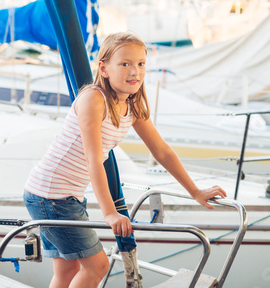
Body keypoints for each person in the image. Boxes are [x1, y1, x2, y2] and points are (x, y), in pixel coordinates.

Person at [23, 32, 227, 288]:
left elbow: (161, 151)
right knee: (98, 267)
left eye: (141, 64)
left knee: (68, 270)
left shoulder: (132, 104)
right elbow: (93, 159)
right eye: (125, 64)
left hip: (62, 196)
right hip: (50, 196)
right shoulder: (93, 99)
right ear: (104, 68)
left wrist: (195, 191)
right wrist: (109, 214)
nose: (135, 71)